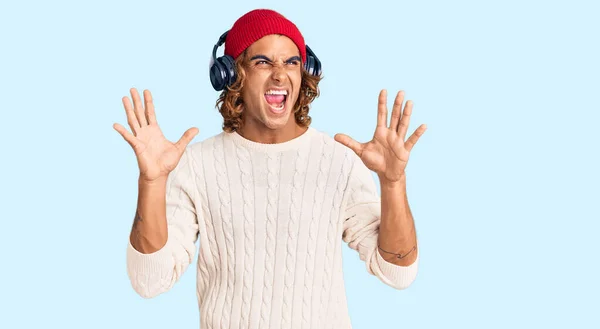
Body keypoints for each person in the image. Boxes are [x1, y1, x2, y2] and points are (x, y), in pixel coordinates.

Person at [113, 8, 427, 329]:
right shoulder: (196, 165)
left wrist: (393, 183)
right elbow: (149, 281)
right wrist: (151, 182)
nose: (280, 74)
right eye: (263, 62)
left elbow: (397, 272)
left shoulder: (340, 161)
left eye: (291, 62)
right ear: (232, 75)